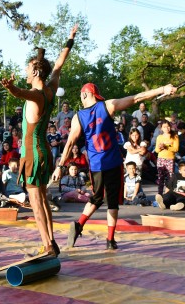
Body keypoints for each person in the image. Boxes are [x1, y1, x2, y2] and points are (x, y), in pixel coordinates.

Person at [53, 81, 177, 250]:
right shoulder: (107, 105)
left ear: (84, 94)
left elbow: (69, 142)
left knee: (96, 198)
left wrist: (60, 166)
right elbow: (136, 98)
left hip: (96, 165)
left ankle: (80, 224)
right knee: (112, 202)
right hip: (113, 161)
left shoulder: (78, 116)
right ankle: (110, 240)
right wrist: (162, 89)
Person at [1, 25, 77, 257]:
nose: (25, 69)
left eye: (28, 67)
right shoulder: (51, 88)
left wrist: (12, 88)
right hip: (43, 149)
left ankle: (47, 247)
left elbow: (21, 94)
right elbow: (59, 63)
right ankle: (51, 242)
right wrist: (70, 39)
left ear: (35, 72)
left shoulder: (35, 95)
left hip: (33, 152)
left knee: (35, 201)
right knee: (42, 198)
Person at [155, 120, 179, 194]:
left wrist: (166, 147)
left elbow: (176, 149)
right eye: (164, 127)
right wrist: (160, 147)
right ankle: (159, 194)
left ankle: (168, 194)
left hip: (170, 159)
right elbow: (156, 150)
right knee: (160, 178)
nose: (167, 128)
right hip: (161, 159)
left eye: (168, 126)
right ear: (161, 128)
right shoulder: (159, 137)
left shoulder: (175, 136)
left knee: (170, 178)